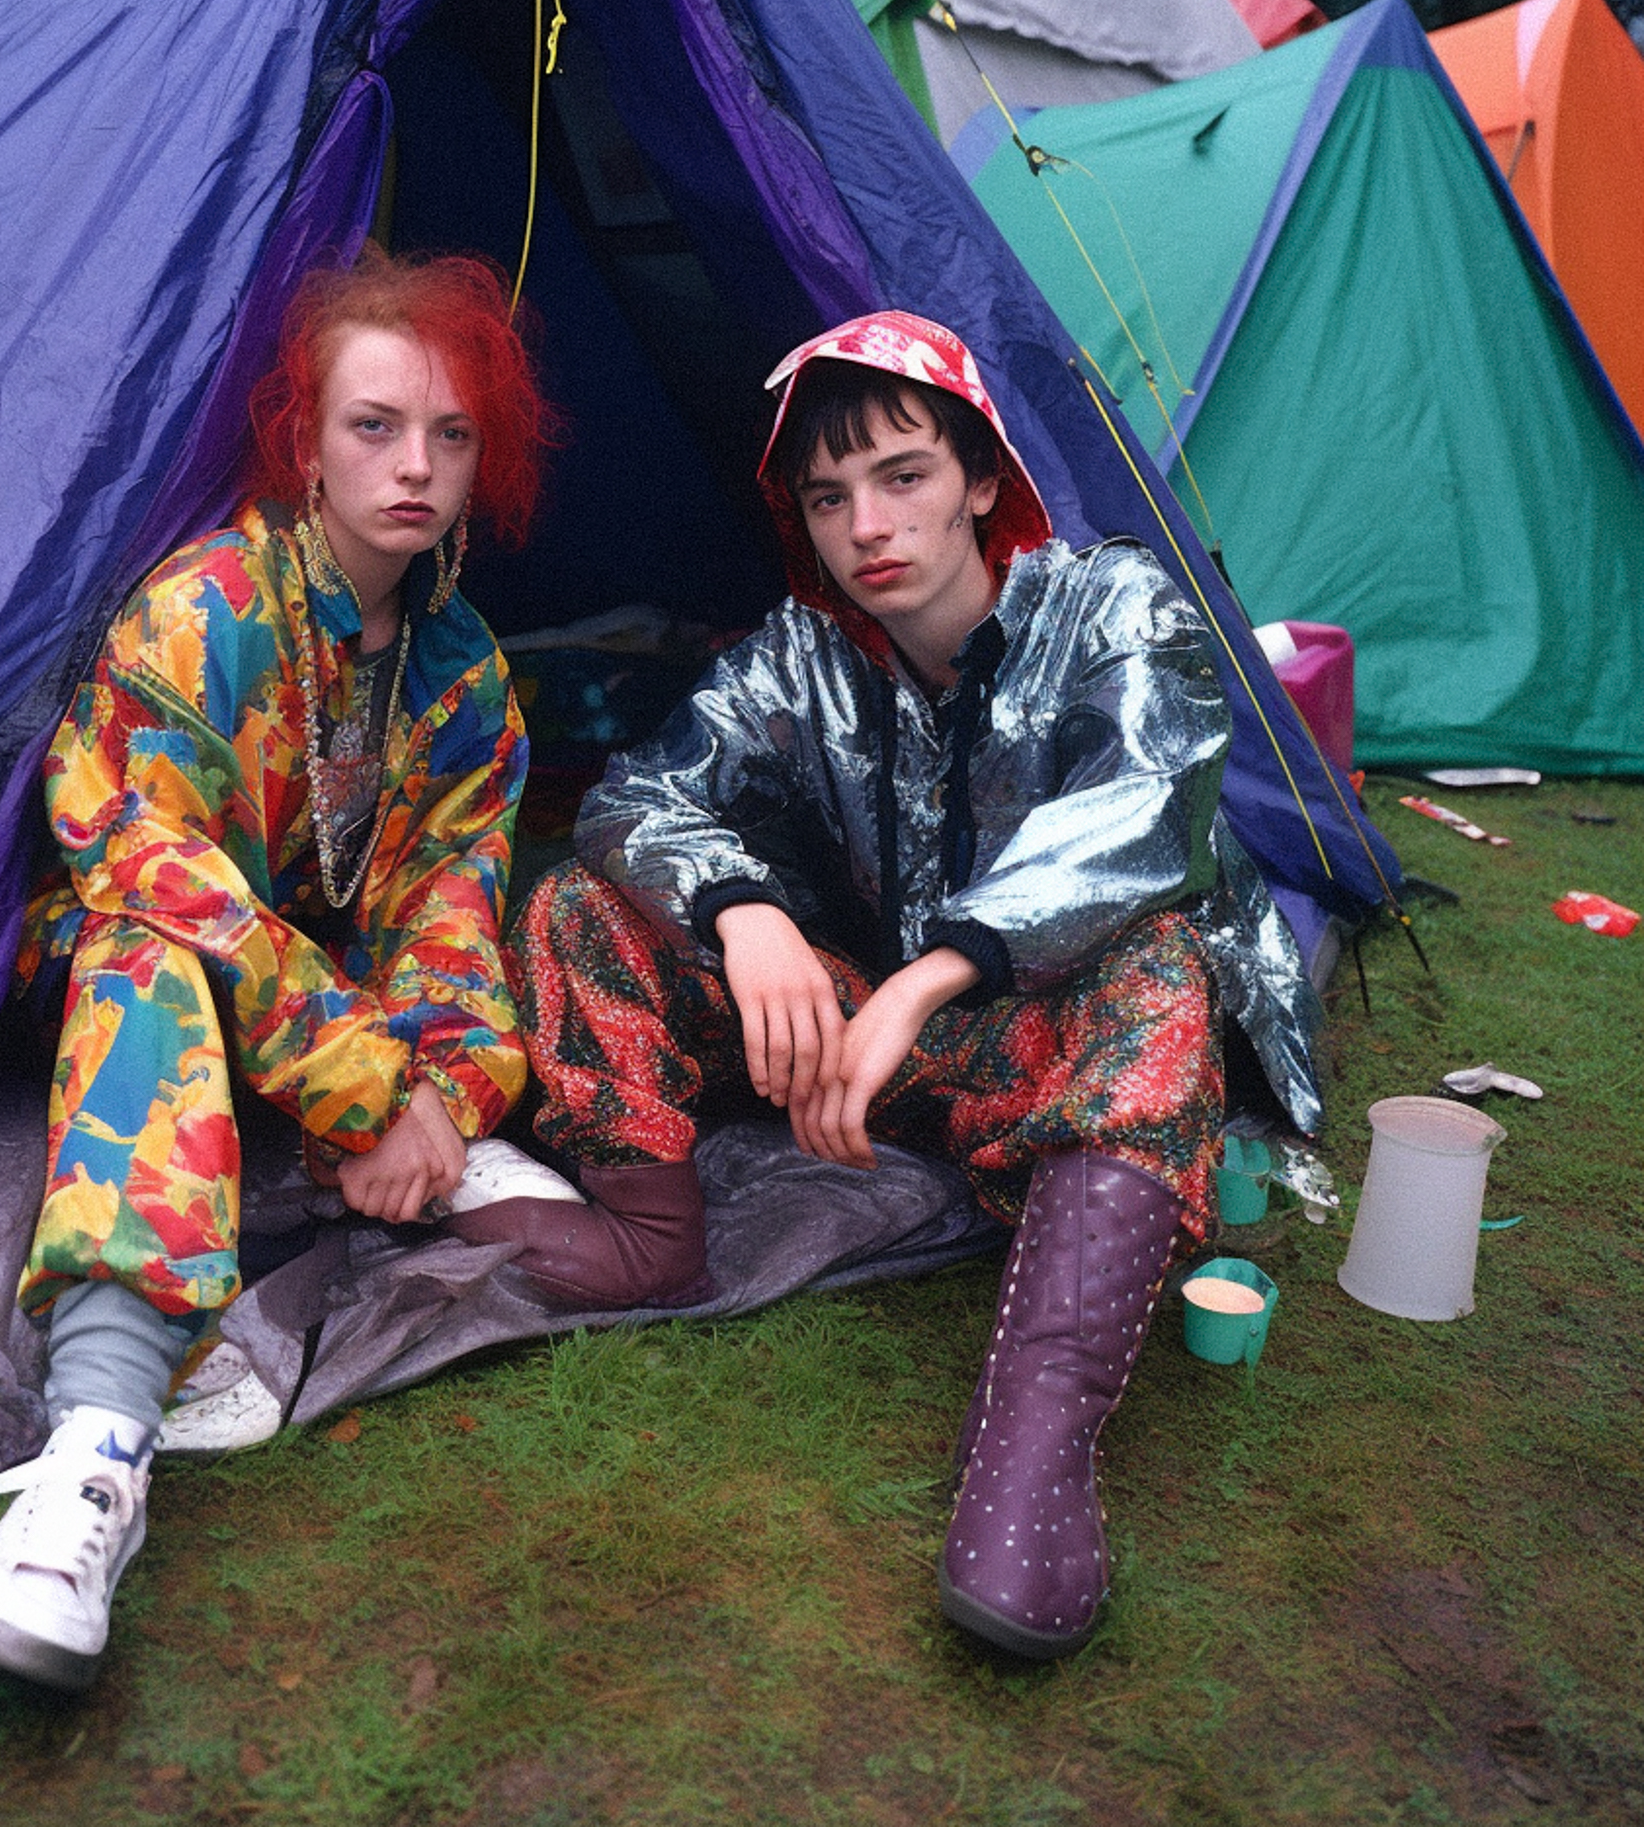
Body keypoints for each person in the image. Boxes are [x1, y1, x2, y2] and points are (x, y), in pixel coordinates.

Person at [488, 309, 1322, 1660]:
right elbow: (637, 795)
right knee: (586, 906)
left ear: (981, 478)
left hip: (1036, 1041)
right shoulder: (801, 658)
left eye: (904, 475)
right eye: (829, 496)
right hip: (872, 1044)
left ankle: (1034, 1457)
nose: (867, 523)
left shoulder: (1114, 604)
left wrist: (924, 981)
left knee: (1157, 972)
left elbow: (1150, 812)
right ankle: (650, 1228)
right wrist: (746, 911)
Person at [0, 246, 562, 1690]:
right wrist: (365, 1093)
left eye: (451, 434)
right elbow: (156, 869)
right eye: (375, 427)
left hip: (302, 1000)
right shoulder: (204, 611)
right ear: (305, 441)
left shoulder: (462, 673)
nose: (415, 465)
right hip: (110, 971)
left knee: (432, 1011)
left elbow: (452, 913)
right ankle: (92, 1458)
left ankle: (386, 1166)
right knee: (151, 944)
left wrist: (451, 1102)